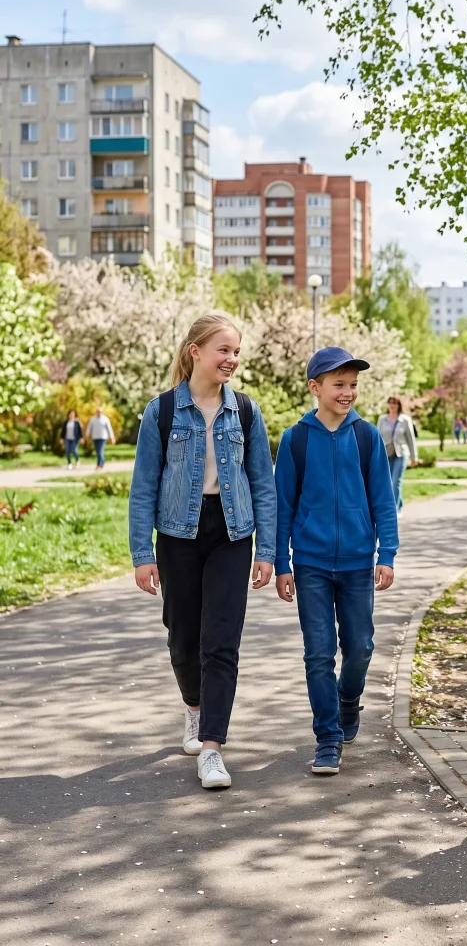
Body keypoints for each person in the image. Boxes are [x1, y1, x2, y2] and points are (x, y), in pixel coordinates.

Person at [129, 314, 277, 791]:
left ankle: (212, 747)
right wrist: (142, 554)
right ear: (196, 351)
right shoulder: (162, 411)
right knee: (182, 637)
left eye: (236, 351)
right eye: (223, 350)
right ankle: (194, 707)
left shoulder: (246, 412)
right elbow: (143, 486)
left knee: (221, 640)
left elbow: (264, 485)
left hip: (232, 534)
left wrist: (267, 551)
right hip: (177, 534)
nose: (232, 359)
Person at [274, 347, 400, 777]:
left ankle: (349, 698)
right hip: (310, 563)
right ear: (315, 387)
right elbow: (283, 506)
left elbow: (383, 500)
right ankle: (327, 738)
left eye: (353, 385)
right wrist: (281, 562)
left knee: (361, 646)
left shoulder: (366, 437)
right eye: (339, 384)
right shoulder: (296, 439)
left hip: (358, 563)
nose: (348, 392)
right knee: (318, 653)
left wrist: (387, 554)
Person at [378, 396, 418, 513]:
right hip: (387, 454)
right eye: (390, 403)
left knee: (396, 481)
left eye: (394, 403)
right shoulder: (382, 419)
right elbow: (378, 438)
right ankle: (399, 505)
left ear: (399, 405)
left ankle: (393, 510)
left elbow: (411, 439)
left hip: (401, 453)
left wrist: (414, 457)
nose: (392, 405)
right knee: (389, 482)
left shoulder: (405, 419)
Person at [85, 406, 116, 470]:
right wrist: (87, 435)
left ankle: (99, 465)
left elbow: (109, 429)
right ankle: (102, 462)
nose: (99, 413)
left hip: (103, 438)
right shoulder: (93, 419)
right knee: (97, 452)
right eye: (98, 411)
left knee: (100, 451)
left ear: (102, 412)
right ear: (96, 412)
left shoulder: (105, 419)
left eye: (100, 412)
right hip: (95, 437)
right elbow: (89, 428)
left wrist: (112, 437)